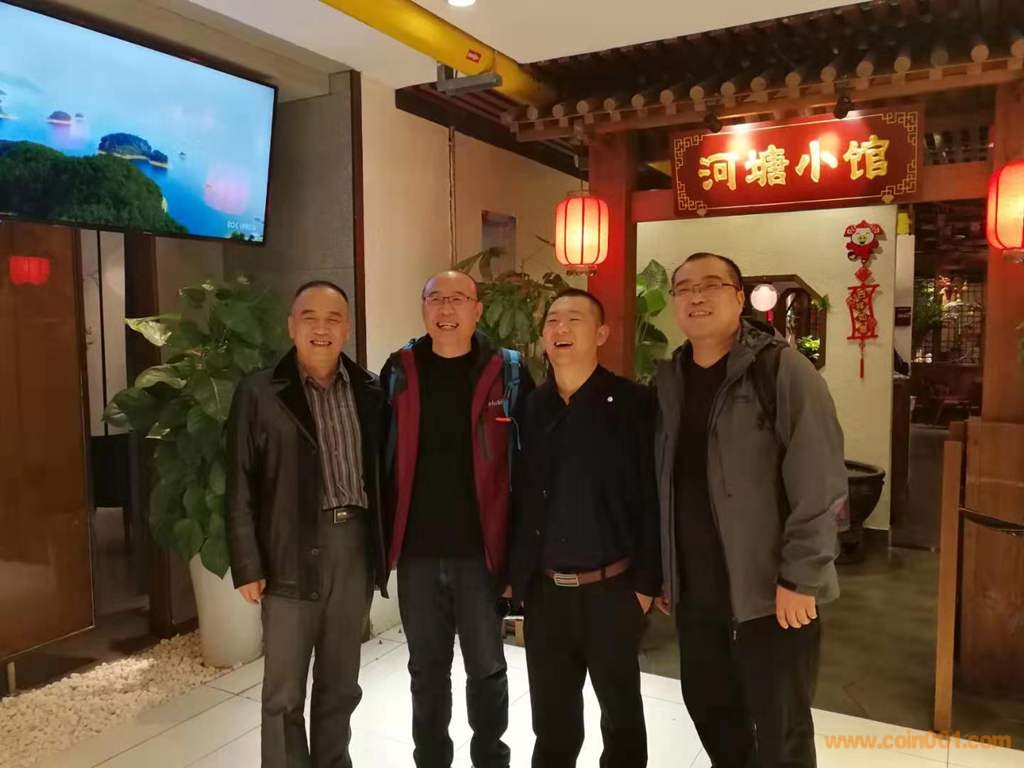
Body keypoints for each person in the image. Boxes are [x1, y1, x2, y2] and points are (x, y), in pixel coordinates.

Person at [654, 252, 847, 768]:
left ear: (739, 297)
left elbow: (821, 480)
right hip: (698, 594)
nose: (696, 296)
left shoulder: (781, 369)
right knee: (713, 713)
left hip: (771, 595)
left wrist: (802, 576)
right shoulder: (670, 379)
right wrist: (667, 572)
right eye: (684, 288)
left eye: (711, 285)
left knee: (781, 730)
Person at [227, 281, 388, 768]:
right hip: (287, 551)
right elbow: (238, 481)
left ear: (348, 328)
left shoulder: (370, 390)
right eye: (310, 317)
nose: (322, 328)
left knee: (341, 684)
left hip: (353, 549)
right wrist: (248, 563)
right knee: (283, 692)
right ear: (291, 326)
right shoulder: (259, 392)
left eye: (333, 318)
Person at [381, 270, 534, 768]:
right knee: (426, 672)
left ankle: (491, 757)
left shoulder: (508, 372)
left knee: (487, 669)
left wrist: (519, 559)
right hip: (418, 554)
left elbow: (529, 468)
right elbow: (378, 461)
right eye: (436, 299)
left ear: (477, 309)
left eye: (458, 299)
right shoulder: (400, 370)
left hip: (482, 553)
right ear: (424, 308)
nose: (446, 309)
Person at [509, 288, 660, 768]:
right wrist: (518, 579)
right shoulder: (532, 407)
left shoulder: (635, 404)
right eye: (552, 320)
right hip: (547, 594)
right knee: (552, 723)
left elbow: (653, 497)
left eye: (574, 319)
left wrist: (645, 587)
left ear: (601, 333)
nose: (561, 328)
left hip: (612, 591)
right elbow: (521, 498)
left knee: (621, 718)